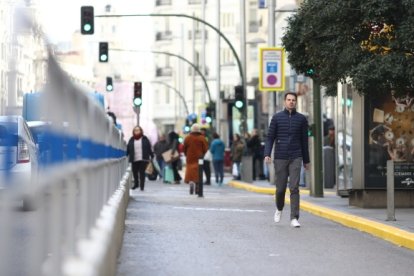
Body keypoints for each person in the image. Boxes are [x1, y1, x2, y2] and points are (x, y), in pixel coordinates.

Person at [264, 92, 310, 228]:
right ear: (284, 101)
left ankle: (294, 217)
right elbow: (270, 137)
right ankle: (279, 208)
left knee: (294, 187)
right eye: (289, 100)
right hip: (280, 157)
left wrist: (306, 161)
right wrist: (267, 153)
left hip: (296, 156)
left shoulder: (301, 119)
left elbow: (304, 141)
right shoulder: (277, 118)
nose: (291, 102)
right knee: (280, 189)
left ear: (296, 102)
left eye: (293, 100)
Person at [126, 126, 154, 191]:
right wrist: (126, 154)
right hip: (134, 158)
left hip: (143, 158)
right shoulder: (131, 139)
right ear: (133, 131)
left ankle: (142, 186)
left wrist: (151, 155)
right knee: (135, 172)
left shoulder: (144, 138)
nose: (137, 131)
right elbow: (128, 148)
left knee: (141, 173)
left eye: (138, 130)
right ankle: (136, 184)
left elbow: (149, 147)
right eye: (135, 130)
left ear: (141, 131)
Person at [183, 124, 208, 194]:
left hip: (190, 157)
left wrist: (186, 154)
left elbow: (184, 148)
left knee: (190, 170)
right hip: (199, 157)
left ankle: (191, 182)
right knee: (198, 171)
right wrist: (202, 154)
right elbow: (205, 148)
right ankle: (197, 184)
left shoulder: (187, 138)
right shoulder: (202, 138)